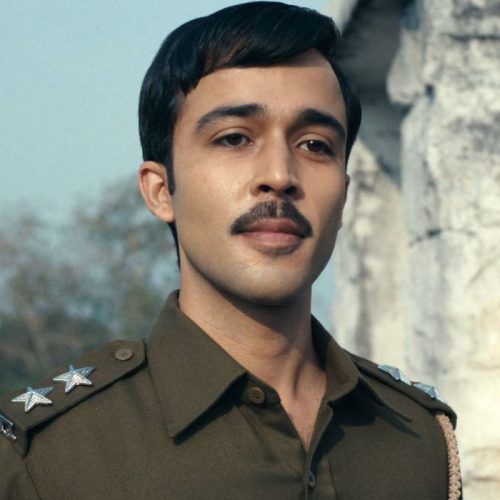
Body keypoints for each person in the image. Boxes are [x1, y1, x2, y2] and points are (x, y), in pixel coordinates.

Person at [0, 2, 461, 499]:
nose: (280, 176)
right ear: (161, 190)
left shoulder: (417, 440)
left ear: (345, 195)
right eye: (235, 138)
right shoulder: (48, 457)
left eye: (315, 145)